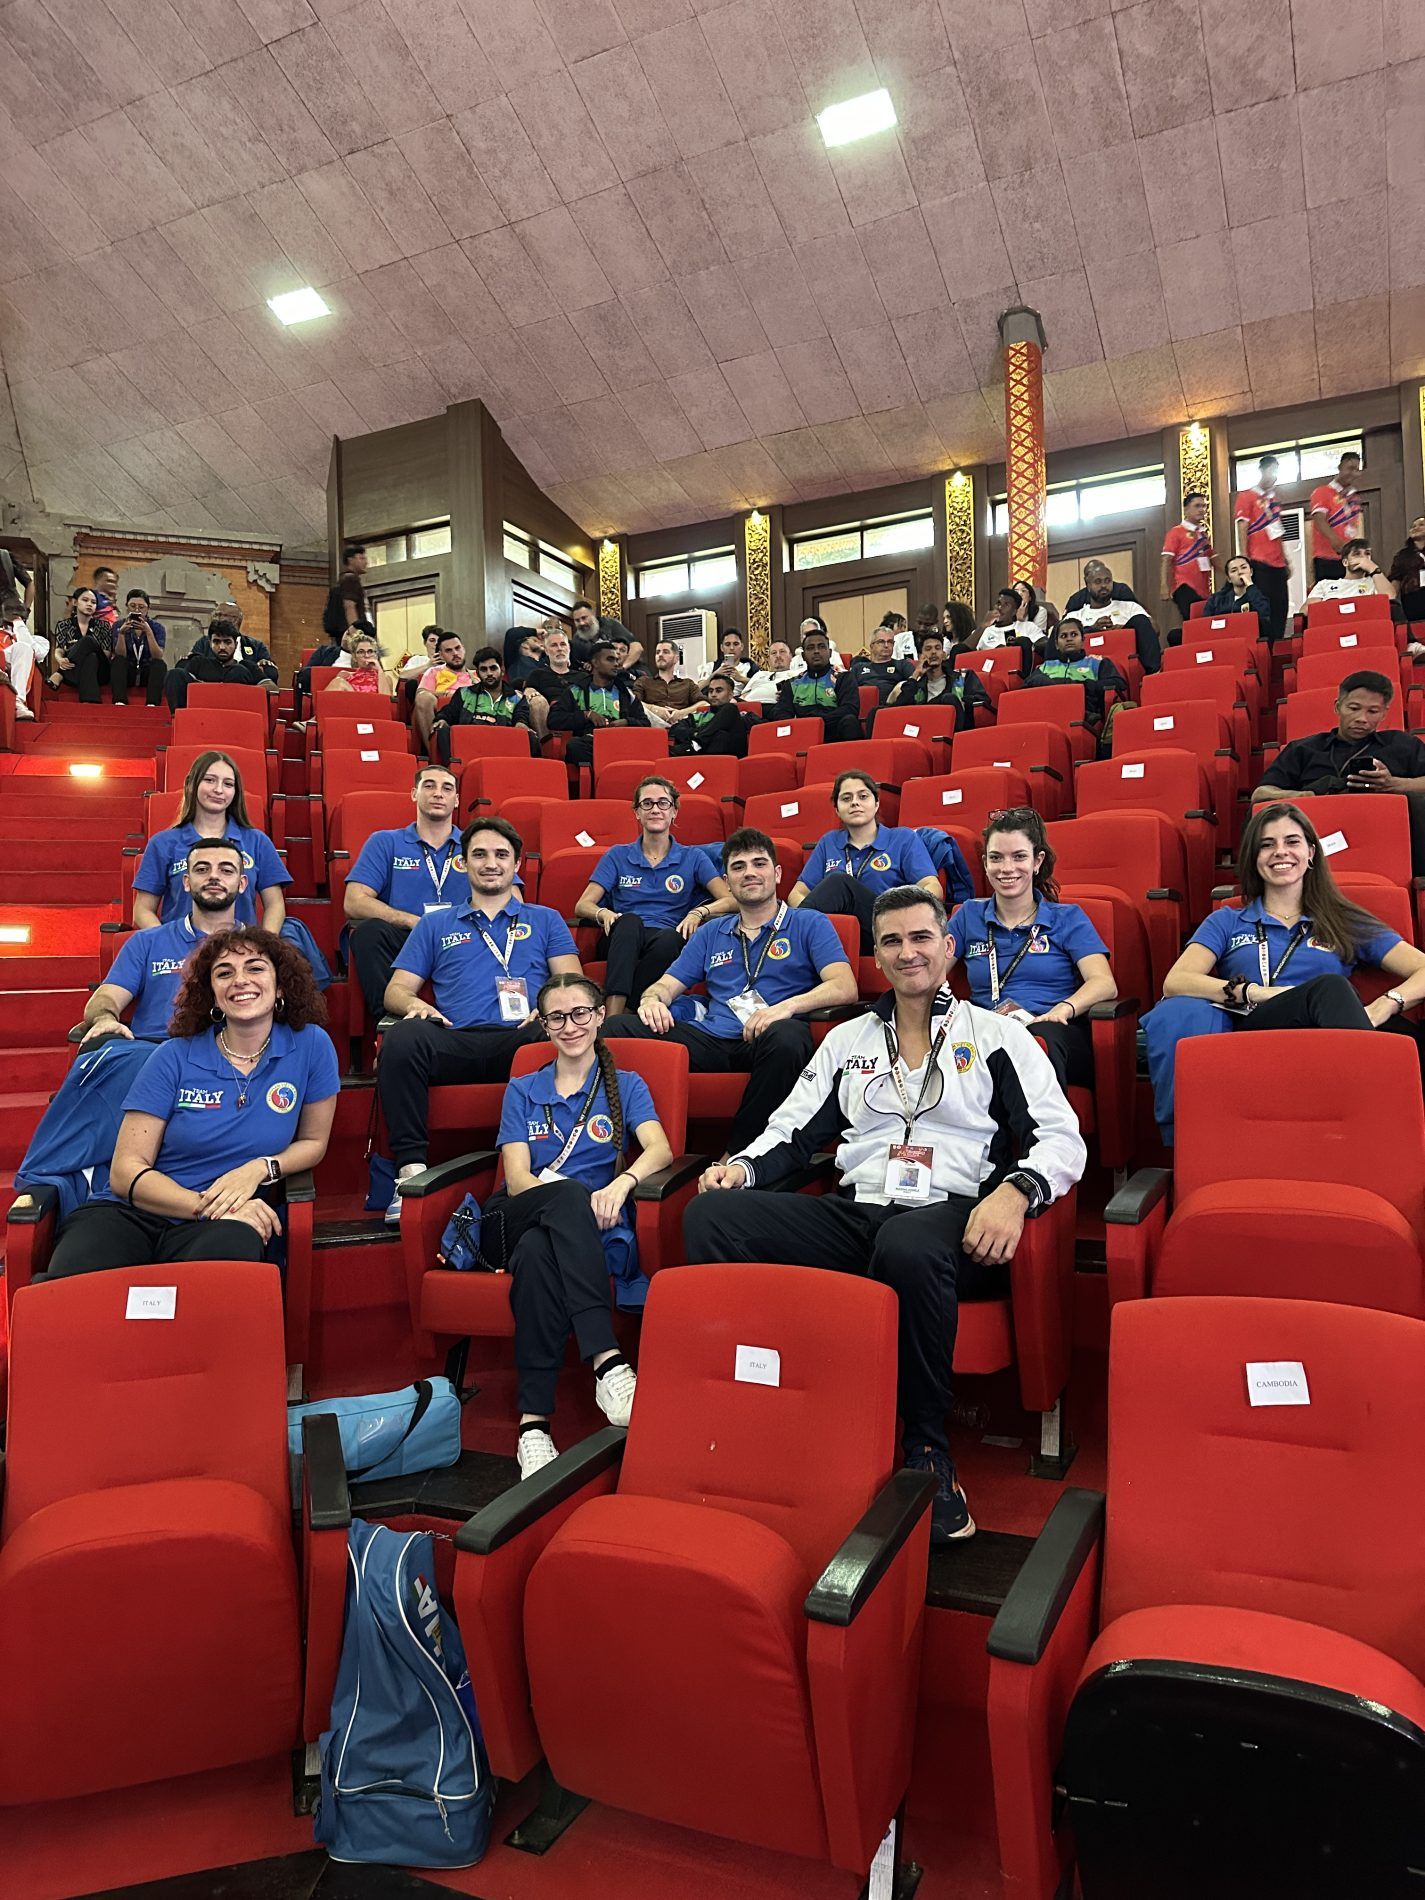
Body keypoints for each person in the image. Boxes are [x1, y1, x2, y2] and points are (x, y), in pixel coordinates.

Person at [684, 883, 1086, 1545]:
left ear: (948, 947)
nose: (908, 952)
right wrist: (742, 1169)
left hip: (953, 1222)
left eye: (921, 937)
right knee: (710, 1217)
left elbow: (1061, 1139)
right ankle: (761, 1409)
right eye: (892, 941)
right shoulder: (848, 1039)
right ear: (875, 955)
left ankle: (927, 1449)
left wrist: (1015, 1192)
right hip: (861, 1212)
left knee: (906, 1243)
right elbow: (790, 1131)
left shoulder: (997, 1035)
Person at [45, 927, 339, 1278]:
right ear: (212, 995)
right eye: (224, 973)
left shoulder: (312, 1046)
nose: (240, 980)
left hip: (222, 1226)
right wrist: (208, 1206)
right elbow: (125, 1171)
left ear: (280, 986)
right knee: (77, 1276)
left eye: (255, 968)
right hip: (135, 1212)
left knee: (225, 1271)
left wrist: (260, 1168)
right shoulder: (173, 1055)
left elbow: (314, 1142)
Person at [1143, 802, 1425, 1137]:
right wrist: (1254, 992)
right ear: (1254, 858)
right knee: (1329, 988)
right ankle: (1370, 1115)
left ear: (1311, 853)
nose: (1280, 852)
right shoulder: (1228, 920)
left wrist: (1385, 1005)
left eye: (1292, 841)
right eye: (1267, 844)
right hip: (1252, 1028)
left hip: (1322, 1033)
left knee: (1343, 996)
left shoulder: (1343, 919)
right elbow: (1177, 981)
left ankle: (1370, 1125)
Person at [494, 974, 673, 1477]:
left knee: (537, 1255)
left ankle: (532, 1428)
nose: (569, 1026)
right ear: (544, 1025)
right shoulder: (522, 1089)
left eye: (579, 1014)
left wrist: (623, 1183)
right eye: (557, 1017)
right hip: (520, 1212)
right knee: (567, 1196)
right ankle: (607, 1360)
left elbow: (660, 1149)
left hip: (571, 1231)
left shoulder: (626, 1085)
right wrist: (571, 1199)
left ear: (598, 1017)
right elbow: (517, 1181)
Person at [602, 827, 858, 1155]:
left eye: (759, 864)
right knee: (615, 1027)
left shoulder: (809, 922)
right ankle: (622, 1151)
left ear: (778, 874)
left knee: (789, 1037)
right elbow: (666, 984)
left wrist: (785, 1008)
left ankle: (739, 1153)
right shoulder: (712, 932)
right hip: (711, 1039)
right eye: (738, 867)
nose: (749, 873)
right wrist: (652, 1000)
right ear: (727, 880)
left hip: (768, 1037)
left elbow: (844, 986)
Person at [379, 816, 582, 1217]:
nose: (491, 863)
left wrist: (548, 1008)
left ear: (517, 864)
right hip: (456, 1038)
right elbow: (395, 990)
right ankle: (410, 1173)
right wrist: (416, 1006)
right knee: (402, 1038)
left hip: (524, 1037)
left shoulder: (545, 919)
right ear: (463, 863)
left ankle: (549, 1167)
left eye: (501, 855)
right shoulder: (436, 923)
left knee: (561, 1032)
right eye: (480, 855)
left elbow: (573, 983)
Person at [949, 809, 1116, 1091]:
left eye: (1019, 857)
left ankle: (1040, 1122)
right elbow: (931, 973)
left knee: (1035, 1040)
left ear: (1037, 861)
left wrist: (1063, 1009)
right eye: (996, 858)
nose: (1006, 868)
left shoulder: (1067, 917)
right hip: (986, 1029)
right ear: (985, 863)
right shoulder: (968, 915)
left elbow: (1104, 983)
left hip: (1051, 1028)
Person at [574, 775, 731, 1015]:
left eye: (663, 803)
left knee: (671, 938)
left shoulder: (693, 857)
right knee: (629, 921)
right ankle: (613, 1016)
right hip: (623, 938)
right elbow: (583, 905)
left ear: (674, 811)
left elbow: (731, 899)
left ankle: (624, 1012)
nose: (655, 809)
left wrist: (699, 912)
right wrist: (603, 913)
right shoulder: (617, 855)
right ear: (637, 812)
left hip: (666, 937)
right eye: (647, 803)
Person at [1252, 670, 1425, 874]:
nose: (1362, 719)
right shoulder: (1303, 749)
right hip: (1314, 835)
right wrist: (1307, 796)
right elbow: (1260, 795)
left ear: (1385, 713)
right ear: (1338, 706)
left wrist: (1393, 784)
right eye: (1354, 708)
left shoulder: (1403, 744)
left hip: (1386, 835)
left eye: (1373, 711)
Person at [81, 840, 249, 1045]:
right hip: (153, 1050)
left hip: (233, 1053)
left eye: (226, 870)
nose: (214, 876)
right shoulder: (146, 942)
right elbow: (106, 998)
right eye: (202, 869)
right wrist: (104, 1019)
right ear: (186, 882)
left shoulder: (260, 948)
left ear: (242, 884)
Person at [344, 763, 463, 1021]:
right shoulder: (385, 841)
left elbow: (513, 900)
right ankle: (391, 1021)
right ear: (413, 794)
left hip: (465, 936)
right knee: (368, 933)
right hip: (407, 935)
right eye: (429, 786)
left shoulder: (475, 845)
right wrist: (413, 922)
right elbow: (354, 900)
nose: (438, 793)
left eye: (447, 788)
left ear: (456, 800)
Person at [132, 750, 288, 931]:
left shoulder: (257, 842)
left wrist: (263, 944)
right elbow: (142, 910)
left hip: (241, 946)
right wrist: (167, 942)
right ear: (192, 784)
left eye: (228, 784)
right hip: (183, 946)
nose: (219, 790)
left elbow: (275, 904)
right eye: (210, 780)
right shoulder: (162, 844)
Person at [789, 770, 942, 951]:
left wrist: (907, 915)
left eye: (863, 796)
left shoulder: (902, 838)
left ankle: (791, 939)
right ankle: (800, 936)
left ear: (876, 804)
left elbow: (932, 886)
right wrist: (817, 920)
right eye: (846, 798)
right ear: (837, 810)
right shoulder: (829, 842)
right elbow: (796, 894)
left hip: (887, 926)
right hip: (837, 932)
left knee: (839, 883)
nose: (855, 802)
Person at [546, 635, 650, 767]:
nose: (616, 664)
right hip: (592, 742)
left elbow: (645, 722)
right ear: (595, 663)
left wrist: (626, 722)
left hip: (621, 742)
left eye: (617, 660)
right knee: (574, 746)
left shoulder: (625, 692)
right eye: (610, 659)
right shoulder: (576, 691)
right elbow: (553, 720)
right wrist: (586, 715)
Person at [436, 644, 539, 758]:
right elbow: (448, 713)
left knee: (531, 737)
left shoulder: (517, 698)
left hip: (502, 748)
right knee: (442, 730)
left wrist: (521, 725)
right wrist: (442, 719)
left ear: (502, 670)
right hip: (469, 746)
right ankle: (452, 767)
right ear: (478, 673)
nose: (489, 673)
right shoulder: (464, 693)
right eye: (484, 669)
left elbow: (521, 717)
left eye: (493, 668)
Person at [1025, 617, 1129, 727]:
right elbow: (1026, 686)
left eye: (1074, 635)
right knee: (1039, 680)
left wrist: (1082, 686)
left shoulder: (1097, 662)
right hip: (1047, 713)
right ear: (1056, 644)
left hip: (1083, 709)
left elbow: (1119, 683)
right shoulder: (1046, 666)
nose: (1069, 639)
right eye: (1063, 636)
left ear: (1083, 641)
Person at [1065, 560, 1162, 672]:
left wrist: (1124, 629)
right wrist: (1092, 629)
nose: (1103, 585)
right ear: (1088, 585)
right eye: (1098, 582)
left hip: (1126, 661)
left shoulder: (1129, 606)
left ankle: (1154, 674)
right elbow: (1060, 641)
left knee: (1140, 620)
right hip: (1086, 667)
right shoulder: (1075, 616)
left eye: (1107, 581)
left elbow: (1155, 629)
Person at [1234, 453, 1289, 643]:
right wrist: (1244, 559)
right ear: (1262, 471)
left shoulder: (1274, 500)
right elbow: (1242, 526)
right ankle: (1265, 648)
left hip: (1278, 563)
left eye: (1276, 472)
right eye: (1271, 471)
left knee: (1281, 607)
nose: (1273, 476)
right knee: (1263, 608)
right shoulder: (1247, 496)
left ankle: (1278, 644)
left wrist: (1286, 558)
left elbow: (1278, 531)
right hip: (1259, 561)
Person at [886, 630, 990, 728]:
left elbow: (983, 701)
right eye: (928, 649)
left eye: (937, 648)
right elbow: (899, 710)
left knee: (949, 699)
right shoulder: (916, 686)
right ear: (920, 656)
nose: (933, 652)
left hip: (957, 730)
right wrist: (915, 674)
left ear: (943, 655)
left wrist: (962, 702)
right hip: (926, 730)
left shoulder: (964, 676)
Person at [775, 624, 862, 741]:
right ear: (803, 656)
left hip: (834, 730)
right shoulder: (792, 684)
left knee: (850, 721)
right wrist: (806, 725)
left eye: (821, 647)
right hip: (803, 733)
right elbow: (782, 714)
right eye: (810, 648)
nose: (816, 651)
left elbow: (850, 708)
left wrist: (819, 722)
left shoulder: (844, 678)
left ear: (830, 653)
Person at [164, 618, 262, 711]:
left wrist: (249, 688)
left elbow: (268, 686)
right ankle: (178, 718)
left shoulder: (248, 666)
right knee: (174, 674)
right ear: (210, 643)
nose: (222, 647)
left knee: (238, 672)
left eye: (227, 642)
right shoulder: (199, 662)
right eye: (216, 642)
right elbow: (180, 682)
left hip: (236, 713)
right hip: (200, 713)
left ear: (235, 644)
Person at [49, 586, 120, 702]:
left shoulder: (103, 625)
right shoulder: (64, 625)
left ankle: (60, 674)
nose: (89, 604)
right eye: (85, 600)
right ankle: (90, 700)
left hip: (101, 671)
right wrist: (60, 660)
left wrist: (85, 647)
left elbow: (106, 654)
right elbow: (59, 649)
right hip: (74, 671)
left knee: (88, 641)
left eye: (93, 602)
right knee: (90, 657)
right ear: (75, 602)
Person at [1160, 491, 1216, 629]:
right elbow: (1166, 559)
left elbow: (1212, 558)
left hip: (1203, 589)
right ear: (1186, 509)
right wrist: (1164, 586)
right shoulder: (1176, 532)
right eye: (1197, 506)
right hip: (1183, 586)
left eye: (1203, 506)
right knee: (1193, 623)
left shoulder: (1202, 535)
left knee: (1203, 623)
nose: (1201, 509)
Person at [1308, 451, 1365, 584]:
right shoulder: (1323, 492)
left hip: (1348, 558)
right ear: (1340, 467)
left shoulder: (1354, 497)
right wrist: (1335, 541)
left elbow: (1354, 526)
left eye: (1357, 470)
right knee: (1331, 595)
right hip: (1326, 558)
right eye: (1350, 468)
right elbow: (1319, 519)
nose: (1353, 473)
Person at [413, 631, 472, 752]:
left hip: (470, 714)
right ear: (441, 655)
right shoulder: (434, 672)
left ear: (464, 649)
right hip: (442, 712)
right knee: (423, 698)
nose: (455, 653)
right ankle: (434, 753)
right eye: (449, 651)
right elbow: (421, 694)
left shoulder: (476, 676)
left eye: (458, 648)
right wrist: (446, 695)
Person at [668, 670, 747, 757]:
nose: (713, 694)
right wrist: (697, 733)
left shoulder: (743, 715)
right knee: (720, 735)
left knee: (730, 709)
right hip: (706, 755)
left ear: (730, 695)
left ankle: (696, 744)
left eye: (718, 691)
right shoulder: (699, 716)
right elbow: (676, 729)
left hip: (733, 755)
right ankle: (696, 744)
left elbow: (754, 725)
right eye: (710, 691)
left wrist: (699, 733)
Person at [112, 589, 167, 707]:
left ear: (148, 608)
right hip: (129, 671)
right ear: (127, 607)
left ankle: (152, 703)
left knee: (159, 664)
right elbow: (120, 654)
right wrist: (121, 634)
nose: (137, 610)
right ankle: (120, 700)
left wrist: (148, 632)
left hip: (146, 671)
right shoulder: (118, 625)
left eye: (141, 607)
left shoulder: (157, 627)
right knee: (118, 661)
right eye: (132, 606)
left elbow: (158, 655)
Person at [0, 590, 46, 720]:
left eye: (18, 609)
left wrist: (18, 623)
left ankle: (18, 701)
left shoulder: (39, 640)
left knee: (23, 648)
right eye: (9, 609)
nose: (14, 611)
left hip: (13, 665)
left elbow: (37, 654)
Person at [636, 639, 705, 725]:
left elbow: (704, 703)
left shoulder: (687, 684)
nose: (660, 655)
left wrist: (682, 713)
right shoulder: (644, 681)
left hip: (681, 726)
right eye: (657, 652)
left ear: (676, 658)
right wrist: (654, 709)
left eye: (665, 652)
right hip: (651, 726)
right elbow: (632, 702)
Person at [1303, 538, 1394, 603]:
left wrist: (1373, 568)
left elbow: (1390, 597)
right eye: (1357, 554)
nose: (1363, 558)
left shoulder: (1376, 582)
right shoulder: (1325, 584)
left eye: (1367, 554)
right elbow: (1307, 611)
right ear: (1345, 562)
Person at [570, 600, 642, 671]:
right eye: (577, 620)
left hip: (632, 670)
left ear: (593, 614)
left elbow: (637, 648)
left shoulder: (610, 625)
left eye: (584, 618)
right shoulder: (577, 642)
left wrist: (622, 669)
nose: (581, 623)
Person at [850, 625, 913, 702]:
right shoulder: (858, 668)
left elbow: (914, 684)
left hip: (893, 706)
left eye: (890, 642)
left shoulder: (902, 664)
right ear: (872, 646)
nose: (886, 645)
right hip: (863, 705)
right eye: (881, 642)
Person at [1204, 553, 1271, 623]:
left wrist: (1250, 585)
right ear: (1229, 579)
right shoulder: (1216, 599)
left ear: (1251, 572)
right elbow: (1206, 623)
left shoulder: (1260, 595)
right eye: (1234, 570)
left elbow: (1264, 615)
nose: (1240, 572)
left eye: (1244, 567)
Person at [324, 543, 372, 641]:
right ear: (350, 560)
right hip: (350, 636)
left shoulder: (343, 579)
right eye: (361, 558)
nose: (366, 562)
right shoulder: (350, 579)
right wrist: (356, 635)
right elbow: (349, 606)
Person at [327, 629, 395, 696]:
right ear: (354, 657)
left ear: (376, 655)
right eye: (361, 652)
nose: (366, 655)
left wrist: (379, 669)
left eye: (370, 651)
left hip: (373, 703)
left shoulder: (385, 678)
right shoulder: (345, 675)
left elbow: (385, 700)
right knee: (338, 682)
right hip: (349, 702)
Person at [1388, 516, 1425, 627]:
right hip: (1413, 599)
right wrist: (1390, 600)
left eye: (1421, 525)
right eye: (1413, 526)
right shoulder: (1402, 555)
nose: (1416, 528)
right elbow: (1396, 581)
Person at [742, 637, 804, 704]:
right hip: (750, 706)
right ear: (768, 659)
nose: (778, 655)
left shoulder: (799, 673)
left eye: (782, 652)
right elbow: (744, 696)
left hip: (778, 706)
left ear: (791, 656)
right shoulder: (759, 674)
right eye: (774, 653)